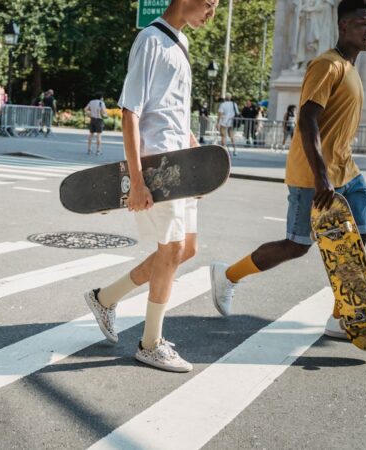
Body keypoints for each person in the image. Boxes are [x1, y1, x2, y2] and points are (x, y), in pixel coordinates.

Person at [209, 0, 366, 340]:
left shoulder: (351, 68)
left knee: (358, 237)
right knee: (297, 245)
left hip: (347, 172)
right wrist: (321, 176)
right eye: (363, 24)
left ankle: (340, 315)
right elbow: (307, 119)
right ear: (343, 26)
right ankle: (228, 275)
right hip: (314, 176)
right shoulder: (327, 65)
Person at [83, 0, 218, 373]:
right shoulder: (151, 40)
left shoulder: (181, 43)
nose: (212, 14)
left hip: (180, 165)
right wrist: (137, 179)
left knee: (186, 249)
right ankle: (150, 343)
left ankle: (105, 298)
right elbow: (131, 111)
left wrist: (195, 150)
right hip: (158, 166)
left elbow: (171, 107)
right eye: (210, 4)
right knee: (171, 249)